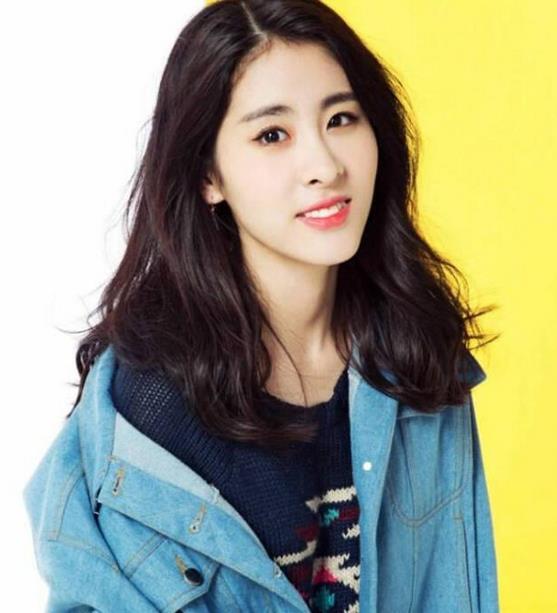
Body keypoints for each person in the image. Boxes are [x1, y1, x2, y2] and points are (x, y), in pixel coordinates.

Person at [22, 1, 500, 611]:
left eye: (341, 119)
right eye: (272, 135)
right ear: (208, 176)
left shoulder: (415, 356)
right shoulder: (152, 408)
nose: (325, 165)